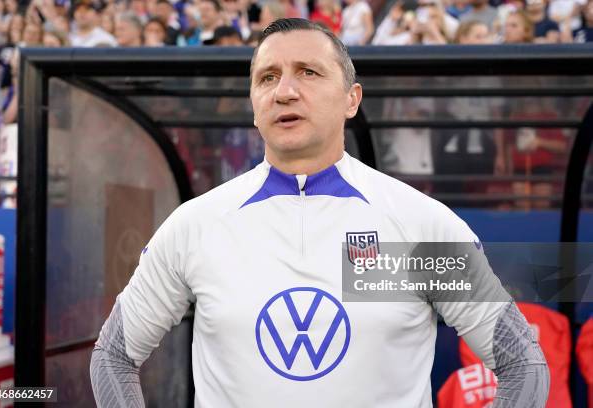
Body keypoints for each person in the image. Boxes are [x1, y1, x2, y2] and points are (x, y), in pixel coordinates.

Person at [90, 18, 549, 407]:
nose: (284, 91)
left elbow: (521, 363)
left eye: (307, 72)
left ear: (352, 98)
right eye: (267, 77)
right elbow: (113, 355)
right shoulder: (195, 226)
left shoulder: (419, 223)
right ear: (253, 106)